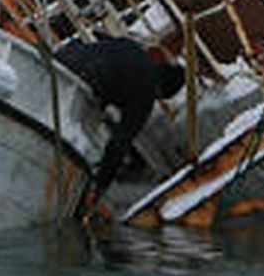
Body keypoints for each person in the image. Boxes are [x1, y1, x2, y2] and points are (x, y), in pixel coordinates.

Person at [56, 36, 185, 206]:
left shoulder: (133, 47)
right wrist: (99, 187)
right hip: (85, 78)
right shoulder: (146, 90)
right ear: (161, 90)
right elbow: (119, 143)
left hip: (63, 59)